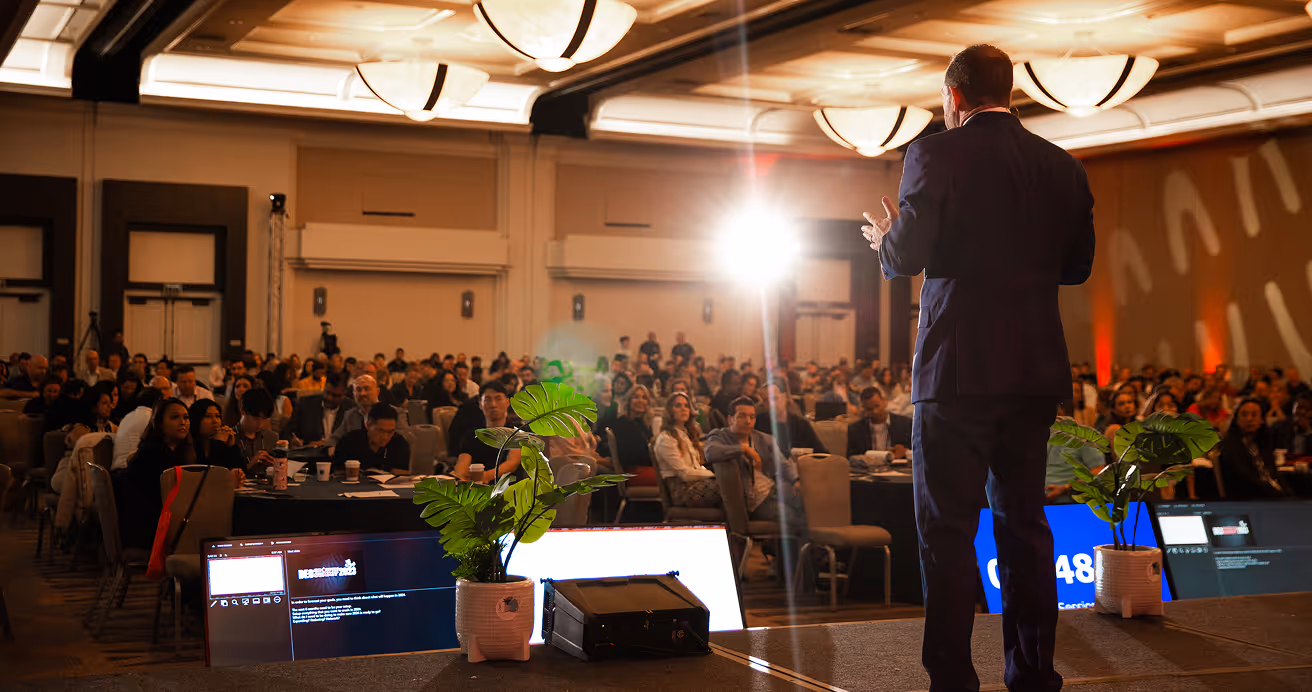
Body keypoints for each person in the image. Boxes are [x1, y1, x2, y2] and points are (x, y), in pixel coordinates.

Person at [862, 44, 1095, 691]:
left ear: (955, 96)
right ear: (1009, 91)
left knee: (947, 531)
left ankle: (954, 679)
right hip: (1032, 370)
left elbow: (906, 256)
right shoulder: (1061, 166)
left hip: (956, 372)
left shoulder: (934, 153)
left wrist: (883, 239)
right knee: (1024, 527)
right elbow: (1077, 267)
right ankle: (1032, 674)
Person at [704, 397, 802, 527]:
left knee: (810, 502)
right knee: (793, 517)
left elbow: (783, 464)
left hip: (773, 490)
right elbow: (710, 452)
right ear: (730, 419)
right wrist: (743, 449)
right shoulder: (720, 436)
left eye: (752, 417)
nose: (748, 421)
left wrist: (796, 479)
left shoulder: (764, 439)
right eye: (742, 416)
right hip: (753, 501)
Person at [114, 398, 195, 549]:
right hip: (146, 527)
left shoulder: (179, 451)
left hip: (163, 520)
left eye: (186, 417)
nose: (183, 422)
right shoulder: (152, 452)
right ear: (160, 423)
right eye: (175, 417)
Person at [652, 392, 720, 508]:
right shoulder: (666, 438)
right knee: (728, 487)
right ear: (670, 411)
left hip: (696, 484)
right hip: (681, 490)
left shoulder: (687, 435)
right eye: (678, 406)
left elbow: (697, 467)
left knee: (734, 485)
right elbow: (684, 474)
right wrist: (713, 475)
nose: (683, 409)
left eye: (686, 406)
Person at [453, 381, 523, 482]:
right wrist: (460, 477)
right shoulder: (472, 435)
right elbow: (462, 463)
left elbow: (512, 464)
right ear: (480, 404)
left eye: (498, 399)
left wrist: (484, 477)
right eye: (487, 400)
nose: (493, 405)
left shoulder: (517, 432)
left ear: (507, 402)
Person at [1218, 399, 1288, 499]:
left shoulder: (1262, 443)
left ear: (1262, 420)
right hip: (1249, 498)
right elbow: (1245, 479)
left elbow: (1273, 472)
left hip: (1272, 495)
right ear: (1236, 420)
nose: (1249, 419)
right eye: (1244, 415)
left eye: (1254, 415)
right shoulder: (1230, 446)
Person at [597, 386, 658, 482]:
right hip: (632, 472)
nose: (640, 401)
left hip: (641, 468)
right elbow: (628, 457)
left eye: (644, 397)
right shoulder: (624, 423)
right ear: (629, 401)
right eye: (636, 397)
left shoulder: (642, 423)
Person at [332, 402, 410, 475]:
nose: (385, 437)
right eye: (380, 431)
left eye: (390, 432)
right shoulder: (349, 441)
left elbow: (402, 476)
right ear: (368, 425)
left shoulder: (399, 444)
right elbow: (338, 473)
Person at [756, 382, 827, 457]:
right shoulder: (759, 422)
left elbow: (822, 454)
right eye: (765, 400)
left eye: (774, 398)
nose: (770, 404)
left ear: (785, 397)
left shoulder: (801, 424)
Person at [287, 371, 352, 446]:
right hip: (310, 454)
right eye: (327, 392)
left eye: (335, 395)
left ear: (344, 394)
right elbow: (288, 432)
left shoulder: (351, 408)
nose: (329, 398)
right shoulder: (305, 404)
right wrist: (302, 443)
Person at [846, 387, 912, 459]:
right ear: (864, 408)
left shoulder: (904, 424)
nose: (875, 411)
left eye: (877, 406)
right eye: (869, 409)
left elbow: (918, 451)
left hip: (898, 467)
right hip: (868, 468)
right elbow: (851, 458)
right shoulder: (855, 430)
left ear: (884, 401)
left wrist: (905, 452)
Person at [111, 388, 162, 470]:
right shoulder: (152, 418)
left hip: (116, 470)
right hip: (131, 472)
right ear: (158, 402)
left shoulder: (127, 417)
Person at [190, 399, 244, 470]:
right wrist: (218, 443)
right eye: (208, 416)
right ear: (196, 419)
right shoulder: (188, 444)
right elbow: (206, 473)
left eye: (217, 416)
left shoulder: (220, 443)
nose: (215, 421)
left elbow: (240, 472)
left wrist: (231, 447)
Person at [234, 387, 278, 471]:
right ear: (242, 411)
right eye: (256, 418)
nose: (260, 423)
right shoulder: (230, 438)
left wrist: (276, 466)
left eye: (264, 418)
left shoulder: (271, 438)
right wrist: (249, 466)